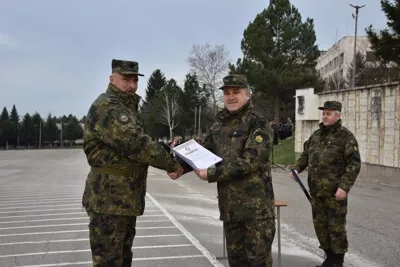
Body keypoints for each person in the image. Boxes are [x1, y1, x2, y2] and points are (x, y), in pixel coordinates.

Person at [81, 59, 184, 267]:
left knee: (123, 259)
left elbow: (139, 142)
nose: (132, 85)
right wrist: (173, 165)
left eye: (135, 80)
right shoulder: (108, 107)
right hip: (109, 200)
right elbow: (137, 144)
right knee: (109, 261)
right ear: (112, 79)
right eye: (126, 79)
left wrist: (170, 152)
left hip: (123, 200)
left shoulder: (127, 108)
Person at [193, 74, 276, 267]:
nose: (231, 97)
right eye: (227, 93)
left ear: (247, 94)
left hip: (256, 214)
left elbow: (250, 161)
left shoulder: (258, 123)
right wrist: (178, 166)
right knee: (236, 263)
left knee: (258, 263)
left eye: (236, 92)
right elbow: (201, 151)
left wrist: (211, 174)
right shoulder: (219, 125)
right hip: (231, 212)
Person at [290, 101, 361, 267]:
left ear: (338, 115)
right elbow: (305, 156)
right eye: (323, 113)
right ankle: (329, 259)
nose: (325, 116)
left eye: (328, 113)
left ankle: (337, 262)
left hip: (334, 193)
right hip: (316, 191)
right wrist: (296, 169)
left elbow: (354, 164)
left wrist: (344, 187)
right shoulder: (316, 136)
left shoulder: (346, 137)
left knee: (336, 228)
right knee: (321, 227)